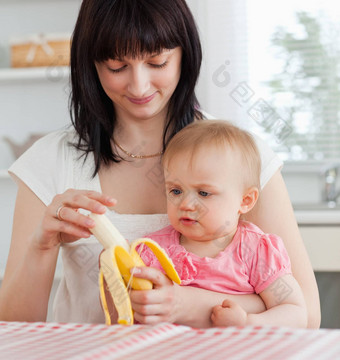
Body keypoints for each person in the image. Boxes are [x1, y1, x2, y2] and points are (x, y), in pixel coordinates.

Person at [0, 0, 320, 328]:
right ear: (91, 64)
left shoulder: (241, 158)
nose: (139, 86)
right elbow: (14, 327)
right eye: (117, 67)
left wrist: (191, 305)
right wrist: (42, 246)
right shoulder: (50, 160)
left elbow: (304, 314)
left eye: (157, 62)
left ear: (185, 54)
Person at [137, 120, 307, 328]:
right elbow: (129, 314)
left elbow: (296, 313)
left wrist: (248, 322)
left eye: (204, 193)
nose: (186, 204)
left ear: (245, 201)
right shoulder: (152, 251)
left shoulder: (255, 251)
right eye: (176, 191)